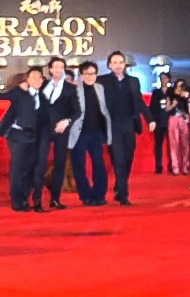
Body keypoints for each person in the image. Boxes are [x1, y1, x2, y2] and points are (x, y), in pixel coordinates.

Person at [0, 67, 48, 212]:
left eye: (40, 77)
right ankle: (17, 201)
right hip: (18, 136)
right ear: (27, 79)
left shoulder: (44, 96)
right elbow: (0, 96)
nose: (37, 80)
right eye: (33, 77)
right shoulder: (19, 93)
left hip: (34, 137)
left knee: (30, 169)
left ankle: (24, 199)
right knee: (17, 169)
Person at [97, 52, 153, 206]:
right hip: (112, 125)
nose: (118, 65)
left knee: (127, 159)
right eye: (114, 62)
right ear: (109, 65)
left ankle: (118, 186)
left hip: (129, 124)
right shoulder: (102, 81)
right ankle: (122, 194)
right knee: (118, 159)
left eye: (120, 62)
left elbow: (140, 102)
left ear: (124, 65)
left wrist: (150, 119)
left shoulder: (133, 81)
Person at [67, 61, 112, 206]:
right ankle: (85, 195)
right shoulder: (74, 90)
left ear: (96, 74)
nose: (89, 76)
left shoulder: (101, 88)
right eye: (86, 73)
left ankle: (99, 195)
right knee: (78, 166)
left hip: (96, 133)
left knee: (99, 164)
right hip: (78, 133)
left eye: (92, 73)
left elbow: (106, 110)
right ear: (80, 75)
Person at [38, 57, 79, 209]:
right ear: (50, 69)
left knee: (60, 163)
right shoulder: (42, 85)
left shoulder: (71, 88)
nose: (58, 69)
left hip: (62, 130)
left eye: (61, 67)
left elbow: (77, 111)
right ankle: (37, 199)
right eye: (55, 67)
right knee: (40, 162)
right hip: (43, 129)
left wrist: (67, 121)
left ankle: (55, 198)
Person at [149, 72, 172, 175]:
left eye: (165, 78)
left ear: (169, 79)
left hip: (170, 122)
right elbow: (151, 108)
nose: (163, 80)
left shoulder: (172, 92)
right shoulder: (156, 93)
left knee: (171, 145)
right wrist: (152, 120)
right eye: (161, 78)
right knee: (158, 145)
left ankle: (171, 165)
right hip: (159, 123)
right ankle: (158, 166)